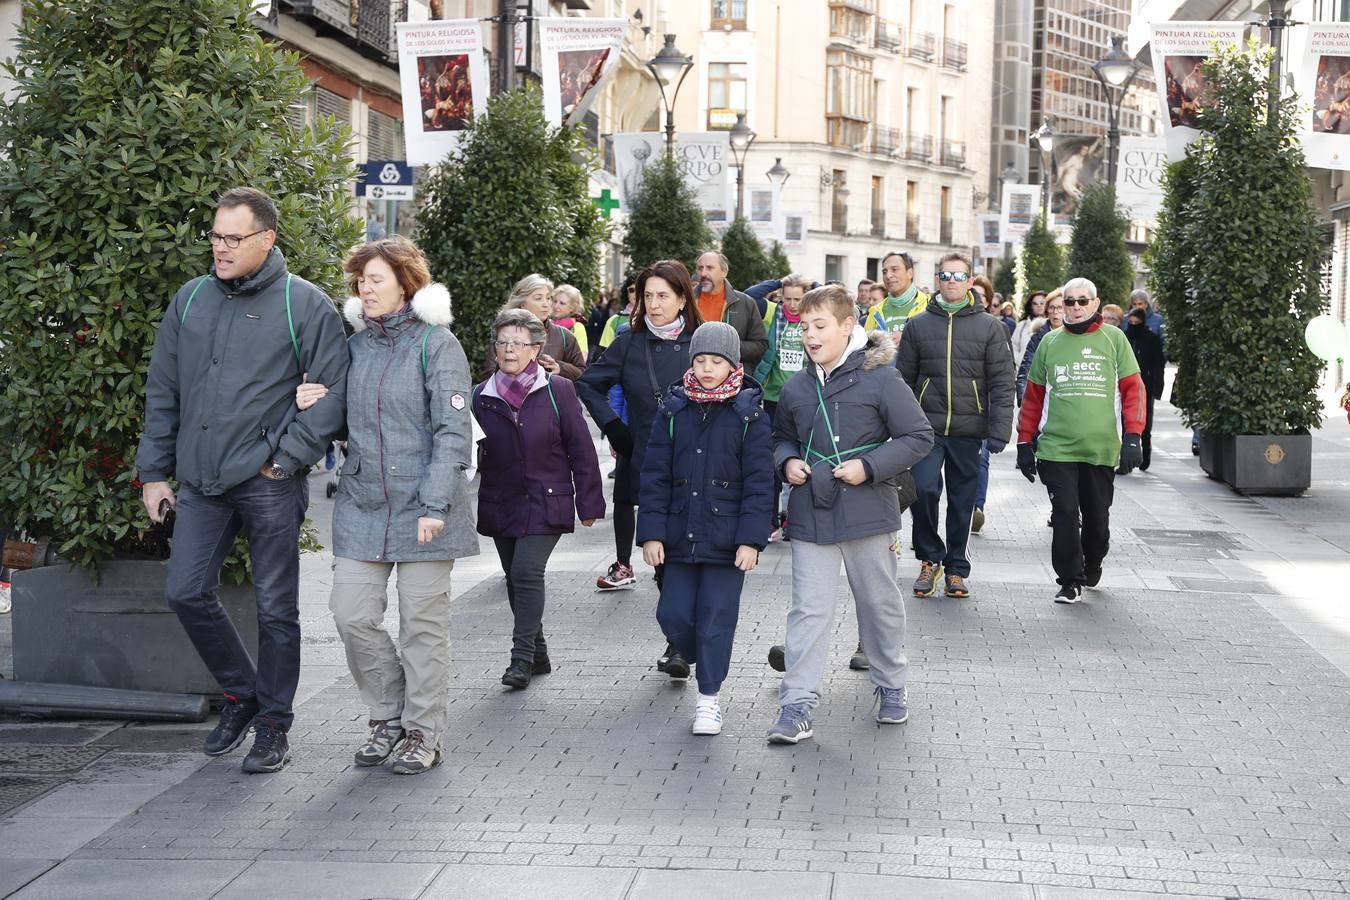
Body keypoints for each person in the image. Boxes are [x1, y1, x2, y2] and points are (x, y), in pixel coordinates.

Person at [137, 187, 349, 774]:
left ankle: (274, 725)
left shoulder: (303, 303)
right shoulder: (191, 299)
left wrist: (286, 459)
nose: (220, 248)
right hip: (202, 481)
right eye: (215, 235)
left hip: (267, 482)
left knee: (278, 609)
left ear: (267, 239)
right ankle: (241, 692)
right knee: (184, 590)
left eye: (233, 238)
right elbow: (164, 391)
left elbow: (333, 393)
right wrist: (154, 472)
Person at [293, 236, 476, 775]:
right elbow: (341, 413)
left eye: (375, 279)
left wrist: (436, 504)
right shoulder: (353, 346)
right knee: (350, 615)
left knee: (422, 625)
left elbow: (452, 430)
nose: (364, 289)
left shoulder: (437, 344)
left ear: (405, 283)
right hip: (363, 502)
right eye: (360, 281)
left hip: (426, 505)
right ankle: (387, 713)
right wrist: (313, 398)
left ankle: (423, 731)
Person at [766, 285, 935, 744]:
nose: (810, 336)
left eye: (820, 327)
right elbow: (780, 436)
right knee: (808, 611)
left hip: (868, 511)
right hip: (811, 512)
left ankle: (892, 686)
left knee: (879, 604)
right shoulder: (797, 385)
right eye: (804, 328)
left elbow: (919, 436)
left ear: (847, 327)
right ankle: (796, 704)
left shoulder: (881, 378)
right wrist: (787, 462)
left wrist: (870, 466)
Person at [638, 322, 772, 735]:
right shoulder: (674, 409)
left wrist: (751, 540)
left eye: (717, 361)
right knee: (673, 612)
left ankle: (708, 699)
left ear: (733, 364)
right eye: (700, 360)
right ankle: (697, 654)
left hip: (727, 538)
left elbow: (760, 483)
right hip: (679, 534)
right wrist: (652, 533)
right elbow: (655, 474)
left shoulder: (749, 413)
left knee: (717, 618)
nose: (708, 368)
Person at [577, 260, 705, 680]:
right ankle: (678, 642)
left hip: (700, 467)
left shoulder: (701, 343)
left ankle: (687, 635)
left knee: (690, 555)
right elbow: (589, 384)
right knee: (663, 557)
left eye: (663, 296)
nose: (653, 304)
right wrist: (615, 428)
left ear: (683, 299)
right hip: (649, 464)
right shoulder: (629, 344)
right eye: (647, 296)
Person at [475, 309, 606, 688]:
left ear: (535, 348)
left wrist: (590, 503)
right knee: (514, 579)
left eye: (518, 343)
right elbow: (468, 451)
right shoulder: (480, 396)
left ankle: (520, 660)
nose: (509, 349)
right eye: (502, 342)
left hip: (547, 499)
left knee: (527, 573)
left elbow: (581, 448)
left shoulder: (557, 390)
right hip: (501, 500)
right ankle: (540, 650)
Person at [1016, 277, 1146, 603]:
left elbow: (1134, 390)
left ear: (1095, 304)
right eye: (1069, 302)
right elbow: (1033, 397)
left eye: (1082, 301)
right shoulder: (1049, 342)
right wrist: (1023, 442)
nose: (1075, 308)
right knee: (1063, 513)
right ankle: (1069, 580)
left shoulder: (1114, 339)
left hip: (1100, 449)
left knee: (1097, 519)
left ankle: (1094, 559)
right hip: (1056, 447)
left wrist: (1133, 436)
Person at [896, 253, 1015, 600]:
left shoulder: (990, 326)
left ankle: (956, 568)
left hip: (969, 428)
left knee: (962, 501)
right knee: (924, 490)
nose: (952, 281)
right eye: (945, 275)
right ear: (937, 279)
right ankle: (929, 559)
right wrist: (899, 425)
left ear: (970, 281)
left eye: (959, 276)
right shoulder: (918, 324)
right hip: (925, 428)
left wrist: (999, 430)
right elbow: (902, 381)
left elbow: (1002, 382)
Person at [751, 274, 812, 541]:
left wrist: (814, 286)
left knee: (801, 458)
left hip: (805, 398)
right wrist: (776, 281)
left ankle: (793, 517)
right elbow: (749, 295)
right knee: (772, 460)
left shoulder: (814, 316)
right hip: (774, 397)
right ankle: (770, 519)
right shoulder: (773, 313)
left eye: (798, 299)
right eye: (787, 298)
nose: (792, 304)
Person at [486, 274, 586, 380]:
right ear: (522, 304)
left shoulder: (565, 336)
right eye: (538, 298)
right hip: (509, 395)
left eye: (548, 298)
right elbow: (489, 374)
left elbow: (582, 374)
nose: (546, 304)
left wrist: (560, 368)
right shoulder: (503, 333)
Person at [968, 273, 1007, 536]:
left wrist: (1001, 423)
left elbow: (1005, 374)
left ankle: (975, 509)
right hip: (948, 411)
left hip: (982, 409)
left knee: (980, 460)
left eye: (982, 296)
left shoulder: (996, 328)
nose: (976, 299)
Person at [693, 251, 769, 370]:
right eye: (700, 268)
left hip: (733, 380)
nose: (703, 273)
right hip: (692, 377)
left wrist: (728, 346)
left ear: (724, 272)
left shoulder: (745, 302)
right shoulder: (686, 301)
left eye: (709, 268)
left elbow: (761, 346)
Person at [1124, 305, 1166, 472]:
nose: (1133, 324)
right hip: (1124, 385)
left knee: (1146, 422)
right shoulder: (1125, 337)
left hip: (1145, 385)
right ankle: (1125, 457)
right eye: (1131, 321)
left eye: (1137, 322)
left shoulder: (1151, 339)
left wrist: (1158, 387)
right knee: (1124, 419)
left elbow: (1158, 365)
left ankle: (1145, 455)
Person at [864, 251, 930, 345]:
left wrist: (906, 338)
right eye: (884, 271)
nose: (888, 275)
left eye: (894, 270)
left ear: (910, 273)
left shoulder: (929, 305)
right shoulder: (875, 312)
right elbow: (866, 351)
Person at [1017, 289, 1064, 404]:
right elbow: (1026, 368)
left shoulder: (1076, 336)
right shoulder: (1038, 337)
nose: (1055, 311)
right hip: (1042, 399)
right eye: (1051, 307)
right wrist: (1023, 399)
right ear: (1047, 311)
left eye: (1059, 307)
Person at [551, 283, 590, 359]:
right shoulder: (548, 323)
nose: (556, 306)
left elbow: (582, 358)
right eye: (555, 301)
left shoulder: (577, 327)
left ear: (572, 308)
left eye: (562, 303)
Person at [1011, 290, 1048, 369]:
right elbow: (1013, 345)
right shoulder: (1022, 325)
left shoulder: (1053, 325)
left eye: (1042, 303)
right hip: (1023, 372)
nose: (1039, 306)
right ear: (1030, 306)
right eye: (1035, 303)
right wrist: (1020, 361)